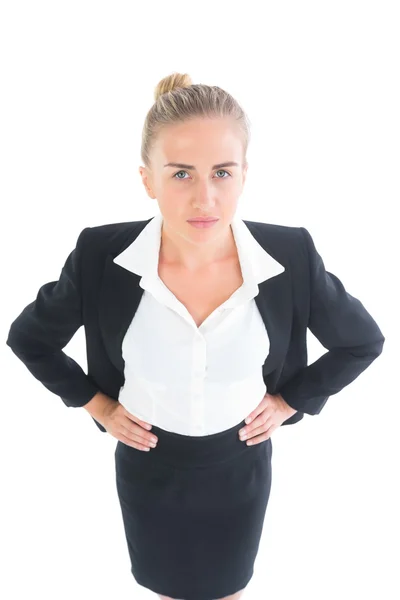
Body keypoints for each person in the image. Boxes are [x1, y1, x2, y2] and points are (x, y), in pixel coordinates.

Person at [6, 71, 385, 600]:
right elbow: (30, 339)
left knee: (228, 588)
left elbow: (361, 341)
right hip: (148, 466)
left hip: (239, 469)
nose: (205, 197)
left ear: (244, 174)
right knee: (164, 587)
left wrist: (290, 401)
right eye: (181, 174)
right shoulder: (100, 255)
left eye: (222, 172)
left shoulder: (290, 255)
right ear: (148, 180)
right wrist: (97, 405)